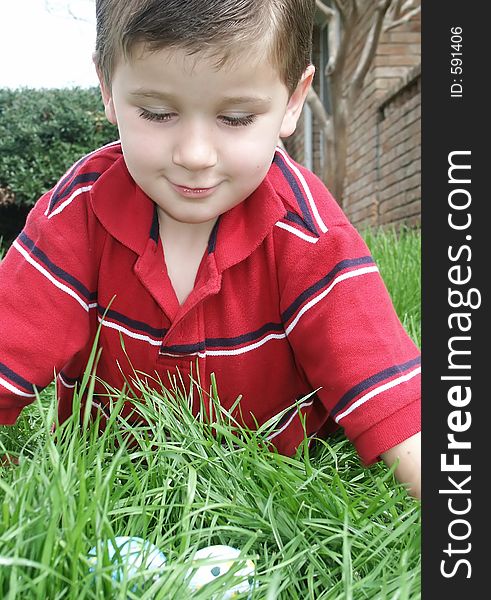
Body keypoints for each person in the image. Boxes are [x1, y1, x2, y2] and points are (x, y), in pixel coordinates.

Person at [0, 0, 421, 498]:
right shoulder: (79, 213)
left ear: (292, 101)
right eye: (157, 113)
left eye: (237, 118)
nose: (195, 155)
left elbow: (391, 399)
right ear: (108, 90)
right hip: (107, 489)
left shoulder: (307, 232)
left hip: (272, 499)